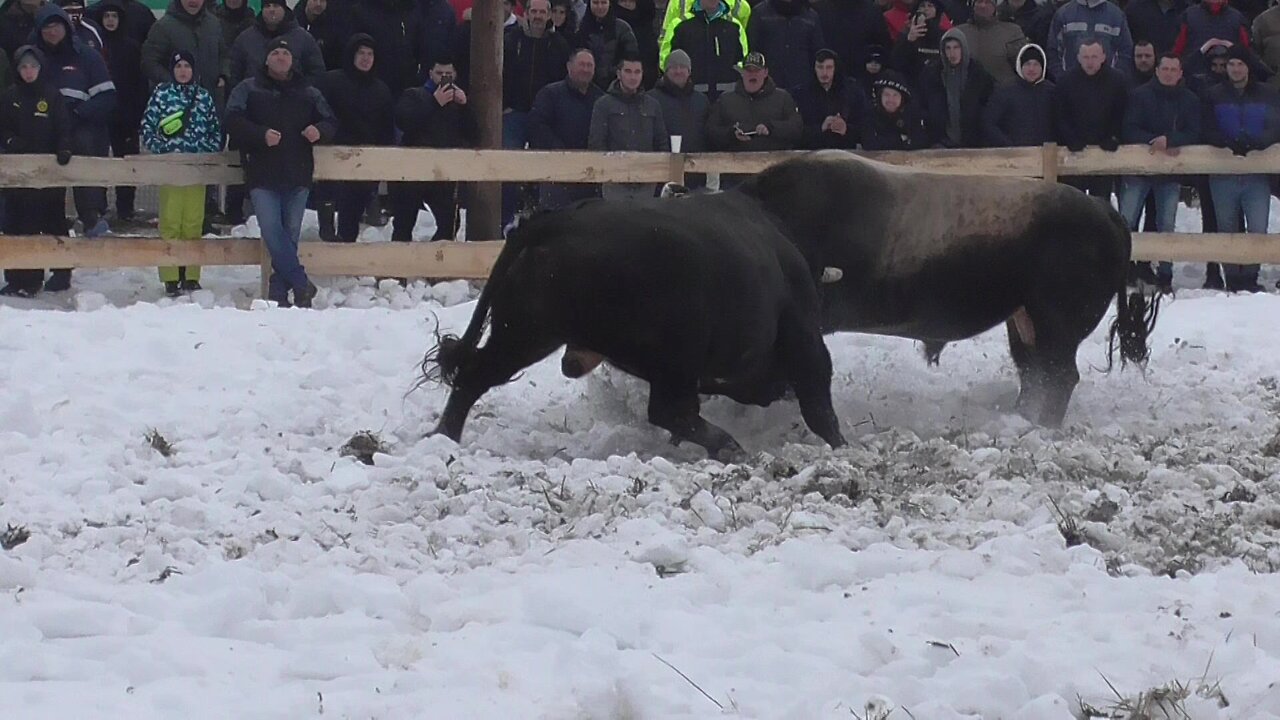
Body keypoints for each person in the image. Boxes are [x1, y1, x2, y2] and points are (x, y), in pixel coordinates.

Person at [225, 37, 336, 307]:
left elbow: (331, 120)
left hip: (298, 173)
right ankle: (300, 282)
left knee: (291, 232)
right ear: (266, 59)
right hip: (262, 173)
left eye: (285, 52)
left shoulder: (308, 91)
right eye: (275, 52)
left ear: (292, 59)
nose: (280, 57)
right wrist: (259, 134)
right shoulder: (247, 88)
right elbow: (231, 120)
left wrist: (319, 130)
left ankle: (279, 292)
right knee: (272, 229)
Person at [33, 3, 115, 291]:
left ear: (67, 27)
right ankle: (51, 270)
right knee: (48, 210)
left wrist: (78, 114)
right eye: (46, 26)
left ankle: (91, 215)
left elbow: (107, 97)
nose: (52, 31)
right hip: (43, 140)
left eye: (56, 25)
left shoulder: (87, 57)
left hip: (81, 135)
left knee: (84, 166)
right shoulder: (32, 58)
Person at [139, 51, 223, 296]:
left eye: (187, 66)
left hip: (196, 168)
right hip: (171, 167)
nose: (183, 71)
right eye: (179, 66)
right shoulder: (162, 94)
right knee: (171, 221)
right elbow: (148, 126)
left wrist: (204, 153)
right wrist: (163, 150)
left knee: (194, 222)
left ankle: (191, 274)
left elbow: (214, 130)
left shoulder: (204, 97)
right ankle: (170, 275)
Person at [1119, 51, 1200, 292]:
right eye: (1164, 69)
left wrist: (1171, 140)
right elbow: (1128, 128)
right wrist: (1153, 141)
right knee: (1127, 221)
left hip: (1170, 173)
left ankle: (1165, 274)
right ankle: (1123, 270)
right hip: (1138, 170)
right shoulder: (1139, 96)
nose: (1168, 73)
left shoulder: (1190, 100)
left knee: (1167, 222)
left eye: (1173, 70)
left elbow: (1195, 132)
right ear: (1157, 71)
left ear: (1180, 73)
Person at [1202, 45, 1280, 292]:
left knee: (1258, 226)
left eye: (1240, 64)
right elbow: (1205, 127)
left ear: (1248, 67)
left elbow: (1275, 126)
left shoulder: (1267, 94)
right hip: (1222, 172)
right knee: (1227, 227)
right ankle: (1233, 279)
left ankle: (1250, 277)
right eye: (1231, 64)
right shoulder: (1213, 94)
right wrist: (1226, 142)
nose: (1235, 69)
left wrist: (1258, 142)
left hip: (1256, 172)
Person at [0, 45, 72, 298]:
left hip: (48, 173)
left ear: (41, 68)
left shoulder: (52, 96)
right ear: (17, 70)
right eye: (24, 67)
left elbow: (63, 126)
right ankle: (18, 278)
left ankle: (60, 273)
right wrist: (10, 143)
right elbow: (3, 129)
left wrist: (63, 149)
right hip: (18, 174)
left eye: (33, 66)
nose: (29, 71)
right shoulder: (9, 97)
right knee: (16, 224)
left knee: (53, 222)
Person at [315, 33, 394, 242]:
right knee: (328, 203)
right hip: (332, 153)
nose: (366, 58)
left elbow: (386, 129)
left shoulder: (381, 90)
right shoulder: (331, 81)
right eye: (361, 53)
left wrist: (383, 159)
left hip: (365, 158)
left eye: (370, 54)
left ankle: (346, 252)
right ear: (352, 55)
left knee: (353, 213)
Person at [393, 56, 476, 241]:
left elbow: (473, 134)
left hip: (442, 173)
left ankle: (432, 261)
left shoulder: (457, 104)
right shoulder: (414, 94)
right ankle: (398, 266)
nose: (444, 77)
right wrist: (433, 102)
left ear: (455, 75)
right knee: (403, 225)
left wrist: (465, 107)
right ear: (430, 73)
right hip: (412, 171)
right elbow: (403, 120)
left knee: (450, 224)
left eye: (448, 74)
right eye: (439, 73)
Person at [528, 48, 605, 209]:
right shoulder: (550, 94)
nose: (585, 69)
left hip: (590, 173)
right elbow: (538, 127)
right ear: (569, 67)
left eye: (589, 65)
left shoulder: (601, 99)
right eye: (581, 64)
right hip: (556, 172)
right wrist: (561, 152)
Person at [588, 55, 669, 199]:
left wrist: (658, 174)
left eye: (637, 72)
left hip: (647, 182)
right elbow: (597, 143)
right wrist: (606, 174)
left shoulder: (653, 105)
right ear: (619, 74)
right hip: (614, 183)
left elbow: (661, 141)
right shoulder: (603, 105)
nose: (633, 77)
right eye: (628, 71)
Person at [1054, 39, 1127, 199]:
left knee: (1101, 205)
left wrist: (1114, 137)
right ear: (1078, 58)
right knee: (1073, 206)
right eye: (1086, 57)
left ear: (1103, 57)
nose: (1090, 62)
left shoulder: (1117, 80)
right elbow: (1060, 114)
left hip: (1104, 152)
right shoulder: (1066, 81)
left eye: (1094, 57)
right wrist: (1070, 138)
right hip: (1073, 153)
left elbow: (1121, 113)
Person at [97, 0, 146, 222]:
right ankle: (97, 207)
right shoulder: (93, 45)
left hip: (126, 116)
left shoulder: (131, 46)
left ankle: (125, 208)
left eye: (114, 16)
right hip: (99, 116)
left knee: (127, 164)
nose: (110, 20)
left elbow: (140, 83)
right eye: (106, 16)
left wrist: (137, 114)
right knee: (96, 162)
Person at [706, 51, 803, 152]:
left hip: (774, 162)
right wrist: (732, 134)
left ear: (765, 72)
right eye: (748, 70)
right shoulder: (725, 100)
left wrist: (771, 128)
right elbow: (711, 132)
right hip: (735, 163)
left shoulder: (783, 98)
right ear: (742, 72)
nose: (752, 74)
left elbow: (797, 129)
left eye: (757, 70)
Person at [921, 27, 995, 147]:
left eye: (956, 47)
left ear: (963, 48)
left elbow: (989, 106)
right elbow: (924, 103)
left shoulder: (978, 75)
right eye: (948, 48)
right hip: (941, 142)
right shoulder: (932, 75)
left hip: (974, 142)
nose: (952, 53)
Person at [228, 0, 326, 89]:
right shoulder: (245, 39)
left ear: (284, 9)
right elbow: (234, 73)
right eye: (267, 6)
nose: (271, 10)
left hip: (295, 102)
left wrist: (300, 92)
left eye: (276, 6)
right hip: (255, 102)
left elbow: (317, 72)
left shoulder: (304, 38)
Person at [142, 0, 228, 99]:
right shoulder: (162, 27)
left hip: (210, 100)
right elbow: (149, 62)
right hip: (175, 101)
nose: (193, 1)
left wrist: (223, 75)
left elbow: (224, 54)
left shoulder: (214, 24)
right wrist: (173, 82)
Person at [791, 47, 868, 148]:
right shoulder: (801, 93)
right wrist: (820, 128)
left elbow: (864, 125)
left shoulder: (852, 92)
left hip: (845, 153)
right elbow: (795, 130)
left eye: (829, 67)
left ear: (836, 68)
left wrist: (846, 129)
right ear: (814, 68)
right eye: (820, 67)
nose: (824, 73)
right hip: (811, 152)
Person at [670, 0, 748, 100]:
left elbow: (742, 63)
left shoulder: (733, 28)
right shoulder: (682, 27)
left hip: (728, 100)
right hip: (689, 100)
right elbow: (671, 63)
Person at [982, 42, 1055, 147]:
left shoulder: (1052, 92)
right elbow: (989, 123)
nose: (1031, 69)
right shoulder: (1005, 91)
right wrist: (1009, 146)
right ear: (1020, 66)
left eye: (1036, 64)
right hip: (1013, 157)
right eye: (1027, 64)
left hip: (1045, 156)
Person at [746, 0, 826, 91]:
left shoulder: (811, 16)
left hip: (802, 87)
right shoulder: (760, 13)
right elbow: (752, 49)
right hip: (767, 86)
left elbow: (818, 53)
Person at [1047, 0, 1135, 78]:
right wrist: (1062, 78)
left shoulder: (1116, 16)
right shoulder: (1063, 14)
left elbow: (1126, 52)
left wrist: (1115, 80)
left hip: (1107, 88)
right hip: (1071, 87)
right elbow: (1053, 51)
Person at [956, 0, 1026, 85]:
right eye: (979, 2)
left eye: (988, 2)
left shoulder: (1012, 32)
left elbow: (1023, 65)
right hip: (967, 92)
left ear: (995, 6)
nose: (983, 6)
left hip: (1002, 92)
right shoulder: (959, 33)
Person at [860, 68, 930, 149]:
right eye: (887, 94)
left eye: (895, 95)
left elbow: (921, 141)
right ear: (880, 96)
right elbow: (869, 143)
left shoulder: (912, 114)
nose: (891, 100)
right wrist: (900, 139)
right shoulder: (870, 113)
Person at [575, 0, 638, 88]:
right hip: (588, 85)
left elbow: (631, 57)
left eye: (604, 2)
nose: (600, 7)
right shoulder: (581, 28)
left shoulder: (622, 28)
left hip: (617, 86)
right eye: (596, 3)